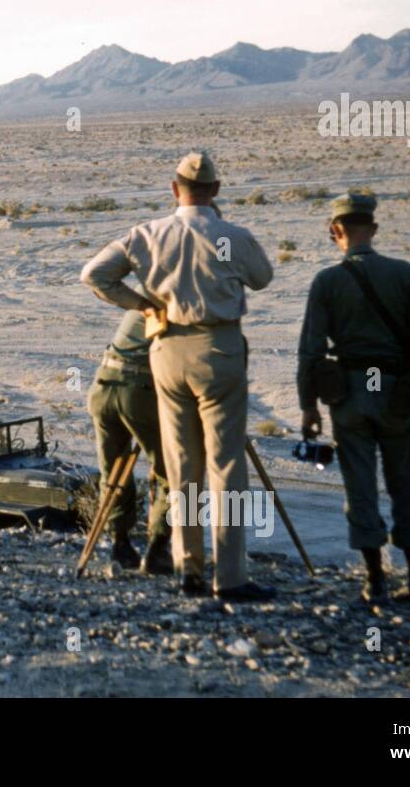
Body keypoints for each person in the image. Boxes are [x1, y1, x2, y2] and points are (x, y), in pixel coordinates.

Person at [81, 151, 275, 600]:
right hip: (218, 350)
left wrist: (143, 305)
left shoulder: (149, 235)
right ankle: (228, 577)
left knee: (181, 464)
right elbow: (262, 277)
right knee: (225, 466)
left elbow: (94, 274)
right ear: (217, 190)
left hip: (166, 352)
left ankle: (187, 568)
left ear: (174, 189)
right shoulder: (232, 236)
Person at [297, 192, 410, 604]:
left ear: (336, 232)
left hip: (351, 395)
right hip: (399, 395)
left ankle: (374, 580)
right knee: (408, 485)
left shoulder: (326, 281)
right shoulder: (403, 274)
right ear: (374, 229)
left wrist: (308, 406)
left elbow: (310, 351)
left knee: (359, 487)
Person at [74, 303, 173, 574]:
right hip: (138, 390)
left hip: (103, 386)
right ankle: (159, 547)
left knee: (113, 472)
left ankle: (120, 544)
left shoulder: (145, 298)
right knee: (173, 473)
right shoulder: (183, 300)